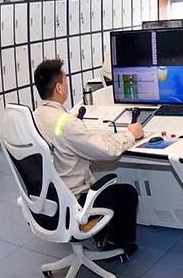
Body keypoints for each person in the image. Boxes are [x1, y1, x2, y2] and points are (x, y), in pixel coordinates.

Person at [31, 60, 144, 255]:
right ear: (59, 87)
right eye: (65, 80)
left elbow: (61, 138)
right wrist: (131, 134)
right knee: (126, 193)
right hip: (73, 201)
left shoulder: (35, 117)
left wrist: (77, 129)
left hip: (47, 201)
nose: (67, 84)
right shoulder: (66, 123)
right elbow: (106, 150)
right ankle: (117, 246)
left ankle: (102, 234)